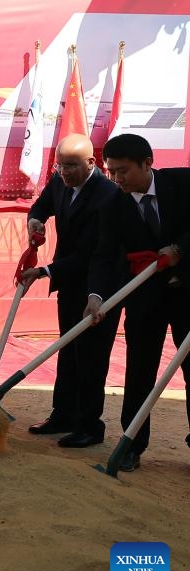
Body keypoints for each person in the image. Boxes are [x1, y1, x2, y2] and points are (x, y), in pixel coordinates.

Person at [84, 133, 190, 472]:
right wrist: (96, 296)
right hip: (145, 299)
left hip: (188, 293)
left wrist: (179, 251)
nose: (116, 179)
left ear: (148, 163)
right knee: (140, 370)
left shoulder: (183, 182)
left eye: (123, 171)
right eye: (111, 172)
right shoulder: (113, 205)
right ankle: (132, 443)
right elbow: (104, 256)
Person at [21, 134, 121, 448]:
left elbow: (92, 254)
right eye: (61, 165)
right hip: (70, 283)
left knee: (91, 356)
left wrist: (44, 271)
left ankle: (90, 425)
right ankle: (63, 414)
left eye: (72, 166)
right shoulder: (59, 180)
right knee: (68, 349)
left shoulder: (107, 197)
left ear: (92, 163)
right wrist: (36, 219)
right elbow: (42, 204)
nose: (64, 172)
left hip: (99, 287)